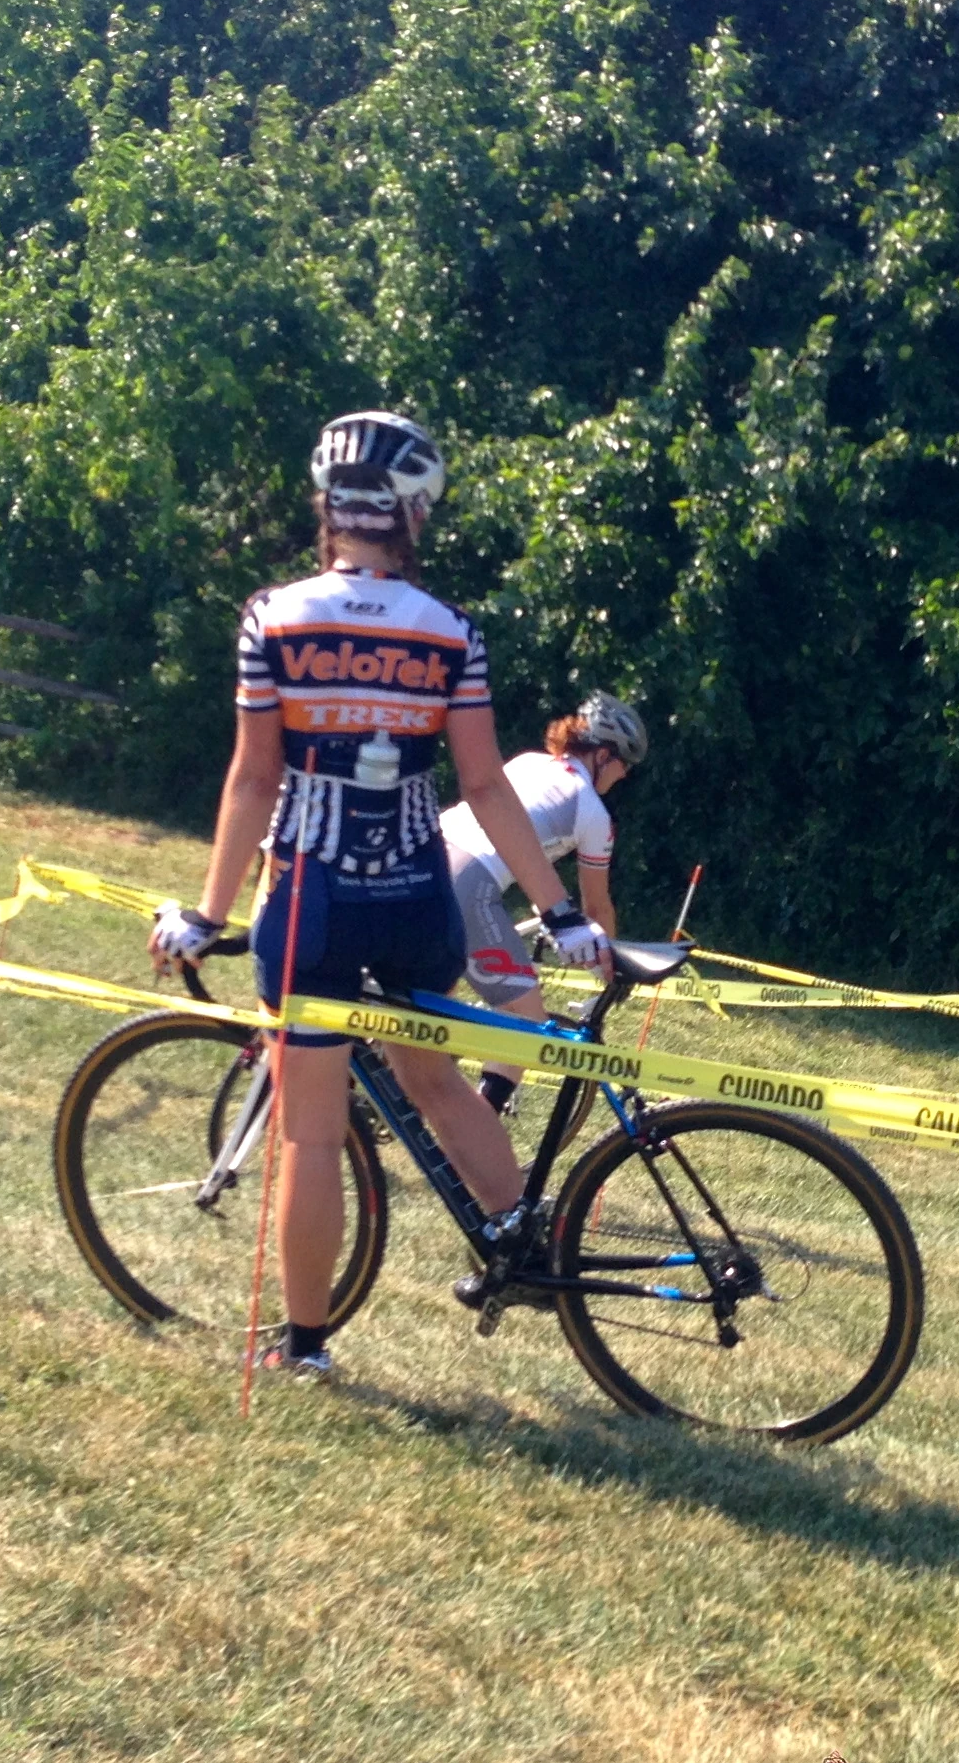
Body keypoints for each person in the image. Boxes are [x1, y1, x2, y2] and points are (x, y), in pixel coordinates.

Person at [147, 411, 609, 1380]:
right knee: (437, 1080)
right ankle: (521, 1240)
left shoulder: (273, 617)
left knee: (312, 1134)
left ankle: (307, 1348)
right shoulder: (451, 633)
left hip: (313, 899)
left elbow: (252, 778)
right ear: (415, 514)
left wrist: (209, 914)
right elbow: (483, 786)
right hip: (415, 894)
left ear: (327, 503)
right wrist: (558, 911)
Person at [440, 690, 649, 1112]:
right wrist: (608, 973)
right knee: (528, 1021)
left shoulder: (528, 762)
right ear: (604, 755)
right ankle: (476, 1139)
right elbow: (596, 908)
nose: (624, 775)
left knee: (426, 1001)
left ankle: (372, 1075)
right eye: (624, 763)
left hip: (425, 854)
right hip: (467, 881)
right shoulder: (592, 813)